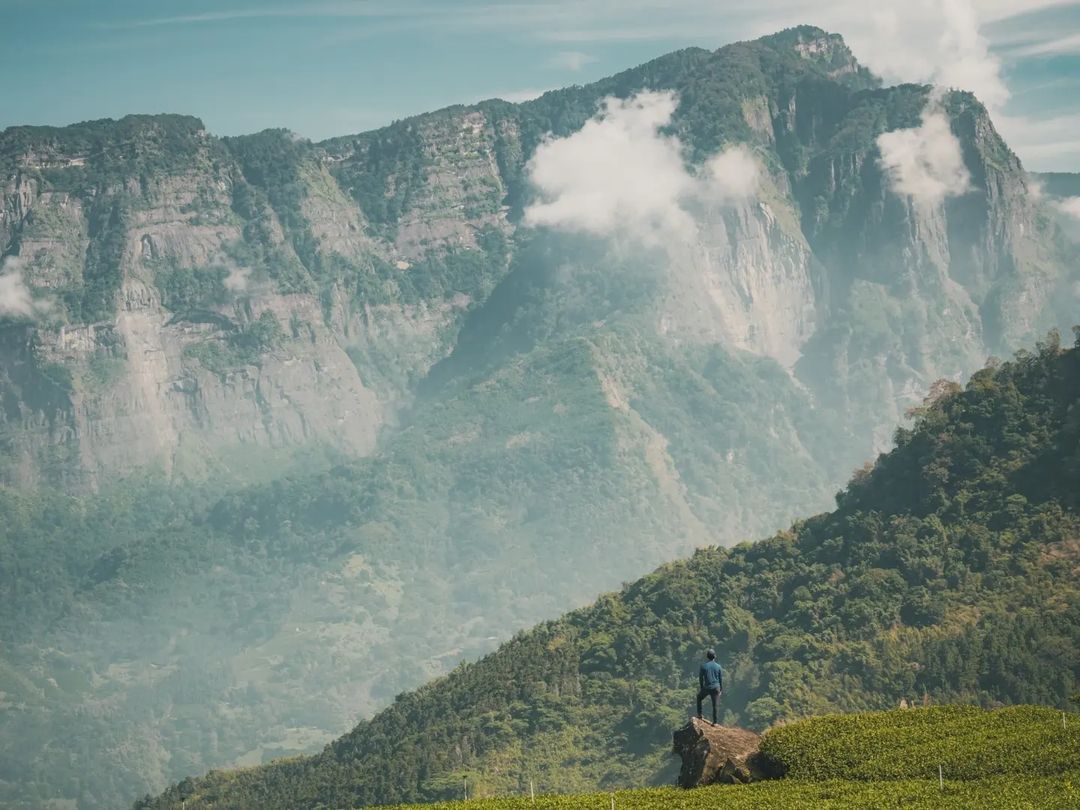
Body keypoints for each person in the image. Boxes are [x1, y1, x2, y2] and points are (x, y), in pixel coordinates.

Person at [697, 649, 723, 724]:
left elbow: (701, 679)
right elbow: (720, 679)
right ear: (714, 656)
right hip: (716, 688)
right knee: (715, 705)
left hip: (707, 687)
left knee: (699, 697)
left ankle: (700, 715)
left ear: (707, 657)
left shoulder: (703, 666)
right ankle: (715, 722)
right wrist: (720, 689)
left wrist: (702, 688)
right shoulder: (718, 666)